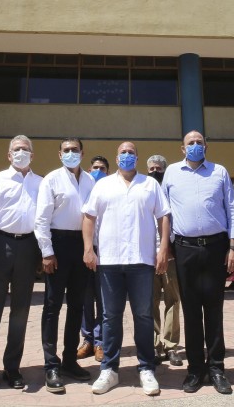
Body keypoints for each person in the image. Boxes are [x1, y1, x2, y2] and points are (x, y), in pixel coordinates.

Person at [83, 142, 170, 396]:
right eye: (123, 152)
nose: (127, 155)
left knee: (143, 315)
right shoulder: (103, 185)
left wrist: (163, 248)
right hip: (109, 261)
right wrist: (89, 248)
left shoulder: (150, 184)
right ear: (116, 157)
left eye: (131, 152)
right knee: (110, 316)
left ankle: (146, 368)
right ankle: (109, 369)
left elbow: (163, 215)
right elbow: (89, 216)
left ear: (137, 157)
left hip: (142, 261)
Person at [161, 130, 234, 395]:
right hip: (184, 249)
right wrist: (165, 245)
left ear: (206, 146)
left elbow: (232, 209)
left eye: (199, 142)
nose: (195, 146)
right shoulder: (171, 173)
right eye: (190, 143)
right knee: (192, 311)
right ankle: (195, 369)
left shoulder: (219, 172)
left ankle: (217, 367)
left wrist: (233, 246)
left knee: (214, 309)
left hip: (216, 248)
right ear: (182, 148)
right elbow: (164, 212)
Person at [0, 135, 42, 395]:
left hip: (28, 247)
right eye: (16, 149)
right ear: (8, 155)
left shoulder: (40, 183)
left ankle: (12, 367)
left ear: (32, 155)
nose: (21, 152)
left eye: (25, 149)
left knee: (20, 312)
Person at [35, 138, 95, 393]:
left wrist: (91, 249)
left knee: (77, 305)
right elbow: (41, 219)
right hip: (58, 245)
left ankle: (70, 360)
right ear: (59, 154)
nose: (71, 153)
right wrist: (47, 253)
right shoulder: (51, 179)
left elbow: (94, 217)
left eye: (75, 150)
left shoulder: (91, 181)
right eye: (66, 150)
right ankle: (51, 365)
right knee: (52, 305)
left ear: (82, 153)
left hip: (82, 246)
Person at [147, 154, 183, 367]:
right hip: (147, 255)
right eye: (151, 169)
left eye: (159, 169)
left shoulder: (172, 192)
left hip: (169, 253)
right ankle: (154, 346)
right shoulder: (144, 190)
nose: (155, 172)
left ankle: (171, 346)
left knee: (173, 300)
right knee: (149, 301)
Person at [78, 155, 109, 362]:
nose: (98, 171)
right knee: (85, 298)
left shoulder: (111, 189)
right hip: (85, 250)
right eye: (95, 167)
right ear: (90, 169)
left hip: (106, 251)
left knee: (104, 300)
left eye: (103, 168)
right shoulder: (84, 190)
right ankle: (87, 339)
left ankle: (100, 342)